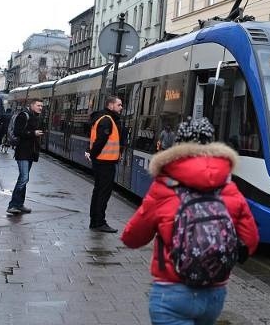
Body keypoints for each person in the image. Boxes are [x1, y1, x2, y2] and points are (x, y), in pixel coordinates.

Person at [121, 117, 259, 325]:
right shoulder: (228, 186)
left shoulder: (164, 186)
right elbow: (250, 240)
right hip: (215, 293)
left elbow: (132, 238)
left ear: (179, 143)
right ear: (211, 143)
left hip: (172, 291)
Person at [85, 96, 123, 233]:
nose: (121, 107)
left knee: (98, 191)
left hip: (102, 161)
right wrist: (93, 154)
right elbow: (100, 140)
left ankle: (95, 221)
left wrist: (92, 154)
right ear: (111, 105)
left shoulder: (101, 118)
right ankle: (99, 222)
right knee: (103, 193)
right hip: (105, 162)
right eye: (119, 105)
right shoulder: (107, 120)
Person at [7, 98, 44, 214]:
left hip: (30, 152)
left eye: (42, 106)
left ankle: (19, 204)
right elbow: (18, 132)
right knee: (24, 178)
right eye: (38, 105)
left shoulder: (35, 117)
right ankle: (12, 205)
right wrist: (33, 133)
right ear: (32, 105)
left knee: (24, 179)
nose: (40, 108)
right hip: (22, 152)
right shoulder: (23, 116)